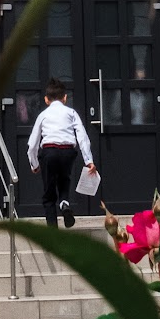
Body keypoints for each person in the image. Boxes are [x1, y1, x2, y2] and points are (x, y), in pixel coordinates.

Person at [26, 77, 96, 228]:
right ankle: (64, 203)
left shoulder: (43, 115)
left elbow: (32, 144)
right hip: (67, 152)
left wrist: (34, 164)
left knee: (49, 193)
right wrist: (88, 160)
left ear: (46, 99)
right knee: (64, 180)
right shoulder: (71, 113)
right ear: (65, 98)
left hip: (49, 152)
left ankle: (53, 231)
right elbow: (82, 137)